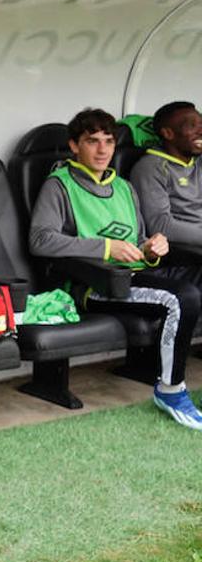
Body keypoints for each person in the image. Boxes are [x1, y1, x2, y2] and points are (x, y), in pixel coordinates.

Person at [30, 108, 202, 430]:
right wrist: (106, 248)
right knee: (181, 297)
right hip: (96, 284)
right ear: (74, 146)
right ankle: (171, 390)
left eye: (108, 141)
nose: (102, 149)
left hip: (138, 275)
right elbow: (41, 240)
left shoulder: (123, 186)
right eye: (92, 141)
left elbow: (137, 241)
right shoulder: (58, 185)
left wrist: (151, 249)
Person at [130, 101, 202, 248]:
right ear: (168, 133)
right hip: (184, 249)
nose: (200, 131)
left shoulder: (197, 160)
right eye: (192, 126)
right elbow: (161, 225)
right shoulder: (150, 168)